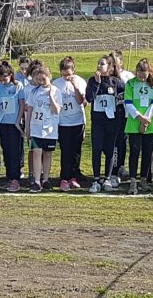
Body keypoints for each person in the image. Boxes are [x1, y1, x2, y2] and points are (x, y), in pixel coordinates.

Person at [86, 55, 125, 193]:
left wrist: (117, 102)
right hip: (97, 122)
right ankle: (96, 179)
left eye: (102, 64)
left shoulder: (116, 82)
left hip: (112, 122)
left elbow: (124, 96)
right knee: (96, 149)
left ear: (109, 67)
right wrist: (96, 83)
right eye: (98, 63)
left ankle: (108, 178)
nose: (98, 66)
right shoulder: (92, 81)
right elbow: (89, 98)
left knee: (110, 149)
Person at [124, 58, 153, 194]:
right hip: (134, 123)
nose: (141, 77)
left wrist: (146, 119)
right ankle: (133, 181)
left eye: (144, 75)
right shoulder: (130, 84)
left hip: (149, 123)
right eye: (139, 74)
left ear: (149, 72)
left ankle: (144, 180)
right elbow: (127, 102)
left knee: (147, 153)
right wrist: (139, 117)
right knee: (134, 152)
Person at [24, 65, 61, 193]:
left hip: (50, 129)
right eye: (38, 80)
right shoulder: (34, 92)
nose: (41, 82)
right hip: (36, 128)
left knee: (47, 154)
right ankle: (37, 181)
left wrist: (51, 97)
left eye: (43, 79)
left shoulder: (56, 91)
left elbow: (56, 111)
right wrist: (28, 128)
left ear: (49, 77)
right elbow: (29, 110)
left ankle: (46, 180)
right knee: (36, 152)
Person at [53, 57, 87, 192]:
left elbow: (82, 102)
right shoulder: (56, 84)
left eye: (69, 73)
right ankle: (64, 177)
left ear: (74, 70)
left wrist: (75, 87)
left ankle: (74, 176)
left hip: (77, 121)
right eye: (64, 74)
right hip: (63, 122)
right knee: (65, 151)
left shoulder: (80, 81)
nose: (67, 76)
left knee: (76, 151)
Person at [0, 61, 25, 192]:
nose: (3, 82)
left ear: (10, 74)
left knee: (15, 151)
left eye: (5, 79)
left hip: (14, 124)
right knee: (5, 150)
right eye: (0, 79)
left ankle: (15, 178)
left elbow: (22, 104)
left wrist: (18, 121)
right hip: (2, 123)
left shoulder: (18, 86)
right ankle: (9, 176)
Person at [110, 50, 132, 179]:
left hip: (126, 115)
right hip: (111, 115)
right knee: (113, 142)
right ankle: (113, 168)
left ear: (121, 62)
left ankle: (121, 166)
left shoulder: (128, 76)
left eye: (115, 62)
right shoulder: (107, 76)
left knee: (123, 141)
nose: (113, 65)